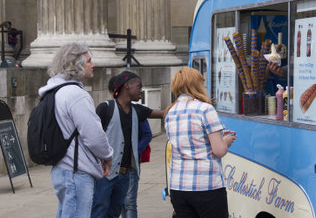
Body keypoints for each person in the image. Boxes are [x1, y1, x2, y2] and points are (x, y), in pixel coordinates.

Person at [38, 43, 113, 218]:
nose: (93, 64)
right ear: (76, 65)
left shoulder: (54, 91)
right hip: (76, 172)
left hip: (63, 169)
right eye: (89, 61)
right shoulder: (75, 94)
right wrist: (107, 156)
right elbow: (94, 136)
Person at [165, 67, 237, 218]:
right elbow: (219, 150)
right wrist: (226, 141)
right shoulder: (205, 109)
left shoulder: (170, 112)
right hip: (207, 185)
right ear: (196, 85)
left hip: (178, 186)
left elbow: (188, 141)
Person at [91, 71, 164, 218]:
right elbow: (93, 138)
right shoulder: (106, 108)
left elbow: (163, 113)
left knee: (115, 212)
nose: (141, 91)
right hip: (105, 174)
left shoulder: (137, 110)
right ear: (126, 86)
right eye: (139, 86)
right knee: (99, 211)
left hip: (125, 175)